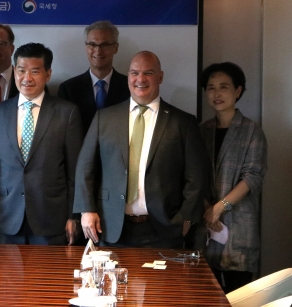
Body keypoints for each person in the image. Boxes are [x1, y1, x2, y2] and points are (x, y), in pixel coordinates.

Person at [75, 51, 209, 248]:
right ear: (128, 76)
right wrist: (86, 209)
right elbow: (85, 166)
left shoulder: (183, 122)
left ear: (160, 77)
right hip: (110, 227)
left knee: (162, 281)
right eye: (134, 73)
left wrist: (186, 217)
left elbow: (197, 176)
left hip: (163, 229)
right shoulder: (104, 118)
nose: (140, 79)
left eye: (148, 73)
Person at [0, 43, 82, 245]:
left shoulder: (67, 113)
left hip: (51, 219)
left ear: (48, 74)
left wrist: (73, 215)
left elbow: (75, 171)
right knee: (6, 276)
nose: (27, 78)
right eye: (21, 71)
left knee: (47, 276)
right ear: (14, 71)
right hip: (7, 218)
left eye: (35, 71)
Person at [200, 62, 267, 293]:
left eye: (224, 87)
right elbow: (194, 175)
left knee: (239, 295)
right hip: (207, 224)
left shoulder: (252, 130)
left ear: (238, 91)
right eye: (211, 88)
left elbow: (253, 177)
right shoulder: (202, 130)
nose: (217, 93)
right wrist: (207, 207)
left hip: (239, 226)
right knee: (207, 294)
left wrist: (220, 206)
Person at [58, 20, 129, 132]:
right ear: (86, 47)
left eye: (105, 45)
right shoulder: (68, 89)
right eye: (92, 44)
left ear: (115, 48)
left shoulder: (130, 86)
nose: (98, 51)